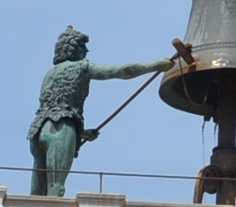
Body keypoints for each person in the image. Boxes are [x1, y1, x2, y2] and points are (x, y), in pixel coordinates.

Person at [26, 25, 174, 197]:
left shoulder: (49, 74)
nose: (86, 50)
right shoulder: (82, 67)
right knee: (56, 189)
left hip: (38, 132)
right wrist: (155, 66)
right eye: (83, 46)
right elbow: (120, 72)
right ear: (74, 48)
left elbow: (54, 106)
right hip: (62, 128)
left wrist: (80, 133)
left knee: (34, 196)